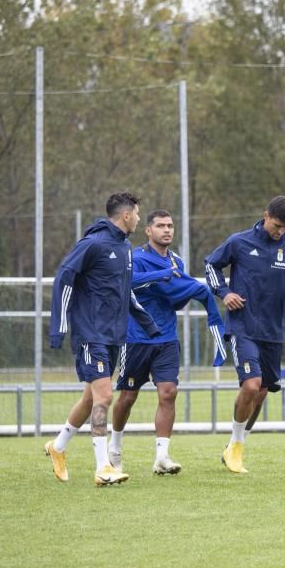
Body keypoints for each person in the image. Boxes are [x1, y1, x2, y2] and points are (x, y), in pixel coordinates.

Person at [45, 192, 162, 486]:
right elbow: (64, 279)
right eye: (136, 213)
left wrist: (147, 323)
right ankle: (103, 468)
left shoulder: (124, 249)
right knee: (105, 396)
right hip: (90, 334)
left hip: (113, 336)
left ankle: (57, 448)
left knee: (90, 397)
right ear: (125, 215)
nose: (138, 218)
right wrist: (59, 328)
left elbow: (124, 293)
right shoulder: (94, 244)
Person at [109, 210, 229, 476]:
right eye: (160, 225)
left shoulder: (176, 261)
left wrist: (189, 292)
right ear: (148, 231)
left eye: (171, 226)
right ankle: (114, 448)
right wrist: (161, 277)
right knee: (128, 397)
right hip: (137, 337)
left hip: (166, 338)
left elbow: (175, 300)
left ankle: (161, 456)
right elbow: (128, 288)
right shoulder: (136, 259)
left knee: (169, 392)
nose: (167, 230)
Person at [205, 195, 285, 474]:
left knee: (262, 392)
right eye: (277, 225)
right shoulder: (240, 242)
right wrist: (225, 292)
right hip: (243, 327)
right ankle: (236, 448)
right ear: (265, 216)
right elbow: (211, 265)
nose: (280, 232)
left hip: (273, 331)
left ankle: (235, 446)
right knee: (251, 385)